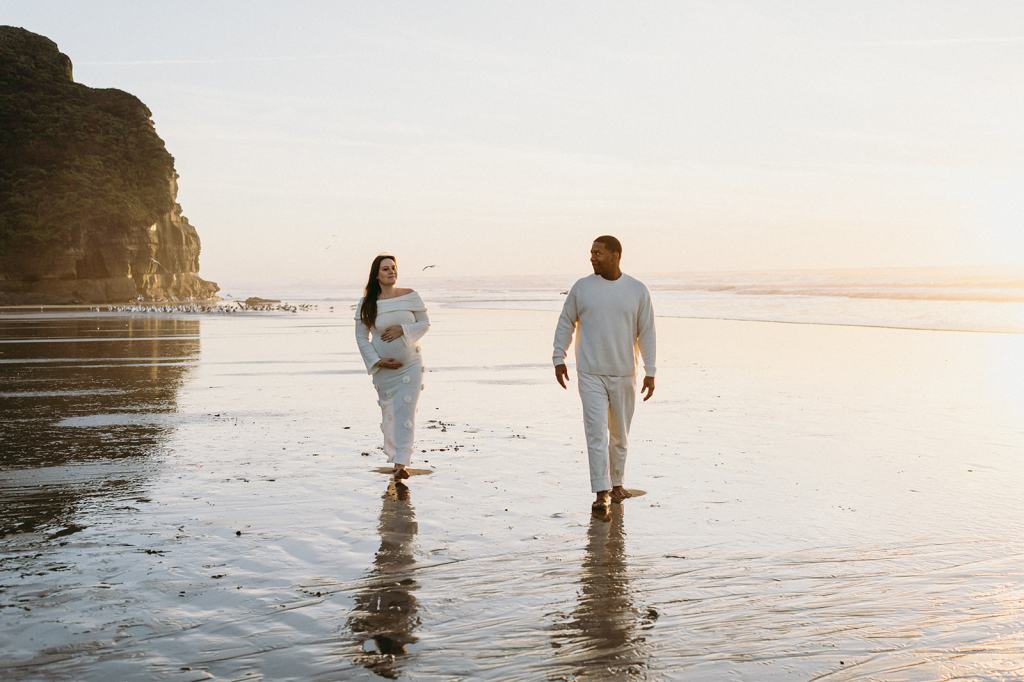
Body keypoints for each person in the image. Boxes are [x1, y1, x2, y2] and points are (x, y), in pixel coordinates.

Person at [553, 236, 656, 512]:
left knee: (620, 434)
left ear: (615, 255)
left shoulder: (637, 290)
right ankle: (601, 492)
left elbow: (647, 332)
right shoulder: (582, 288)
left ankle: (617, 484)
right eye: (591, 253)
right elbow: (565, 322)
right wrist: (558, 357)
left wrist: (651, 370)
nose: (592, 258)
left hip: (624, 373)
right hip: (590, 373)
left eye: (598, 253)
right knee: (596, 432)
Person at [355, 254, 430, 479]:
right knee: (390, 412)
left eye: (393, 267)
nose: (391, 271)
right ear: (376, 275)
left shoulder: (410, 296)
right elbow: (361, 337)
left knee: (406, 412)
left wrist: (402, 330)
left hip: (411, 366)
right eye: (386, 268)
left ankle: (401, 463)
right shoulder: (367, 303)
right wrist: (377, 361)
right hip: (384, 370)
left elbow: (425, 324)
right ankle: (394, 454)